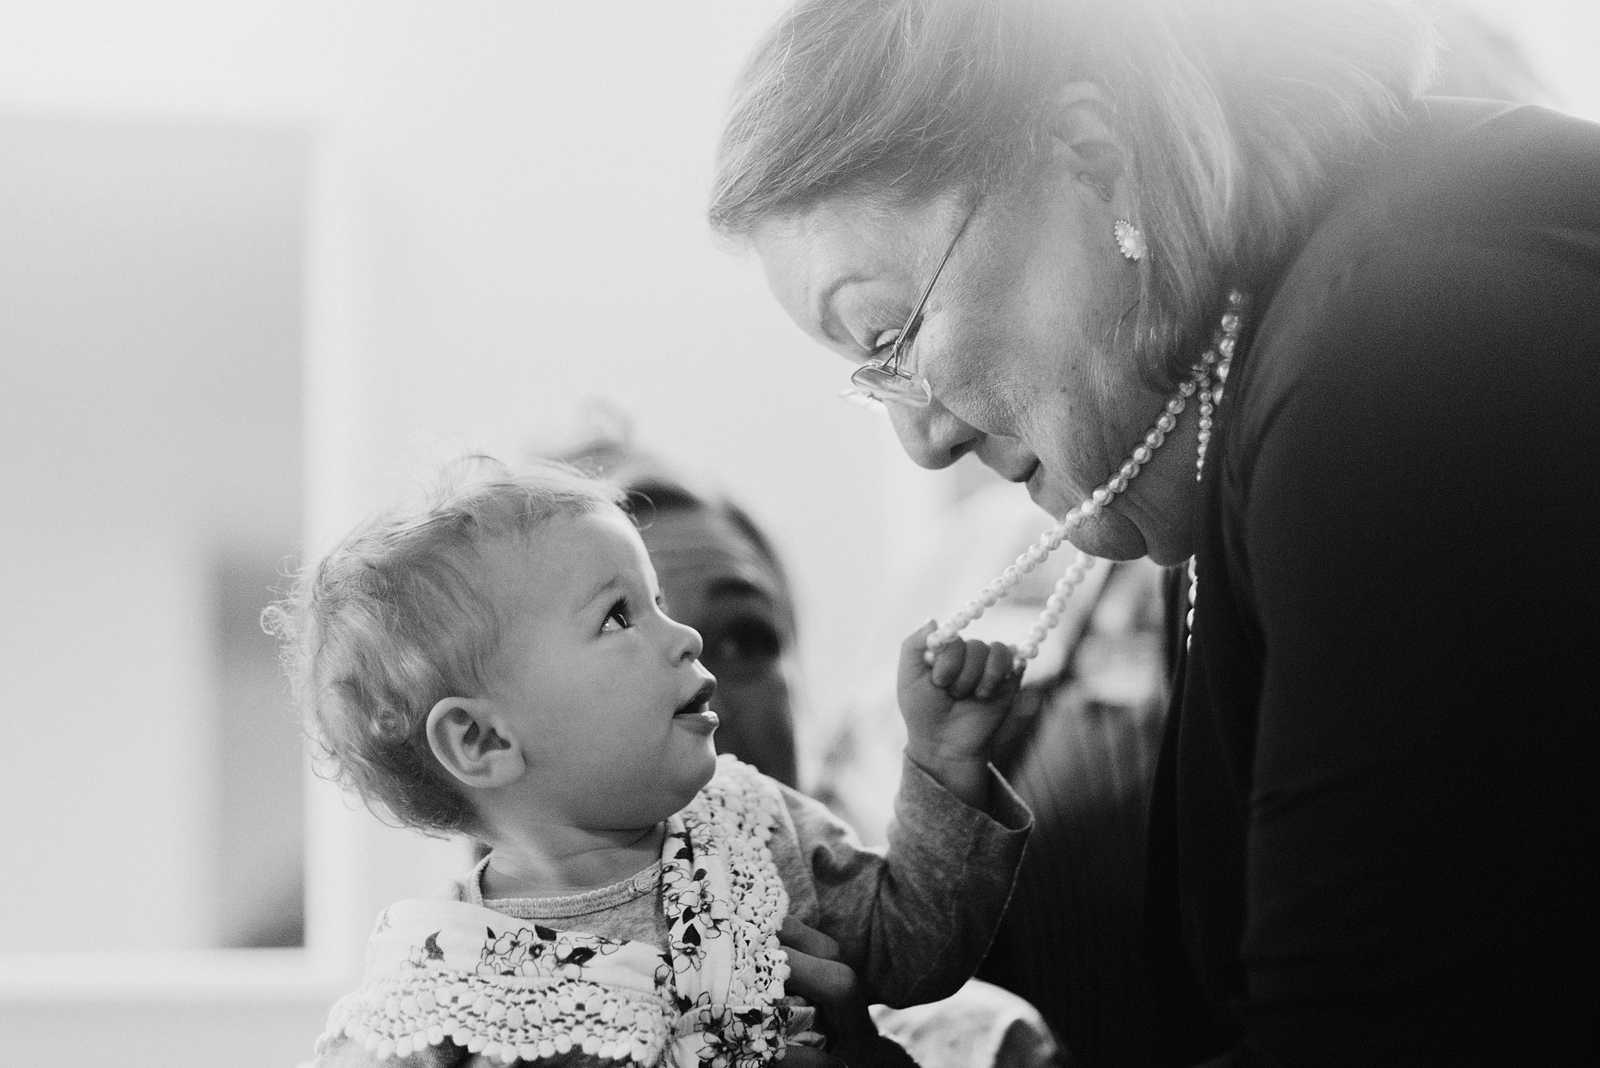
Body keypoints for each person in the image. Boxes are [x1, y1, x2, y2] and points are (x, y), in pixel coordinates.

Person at [711, 0, 1599, 1063]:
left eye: (889, 332)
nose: (923, 443)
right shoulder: (1290, 355)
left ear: (1094, 159)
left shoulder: (1405, 357)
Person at [267, 457, 1032, 1068]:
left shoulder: (753, 827)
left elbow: (915, 944)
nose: (686, 635)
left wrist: (943, 759)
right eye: (618, 616)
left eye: (658, 601)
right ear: (484, 741)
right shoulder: (437, 990)